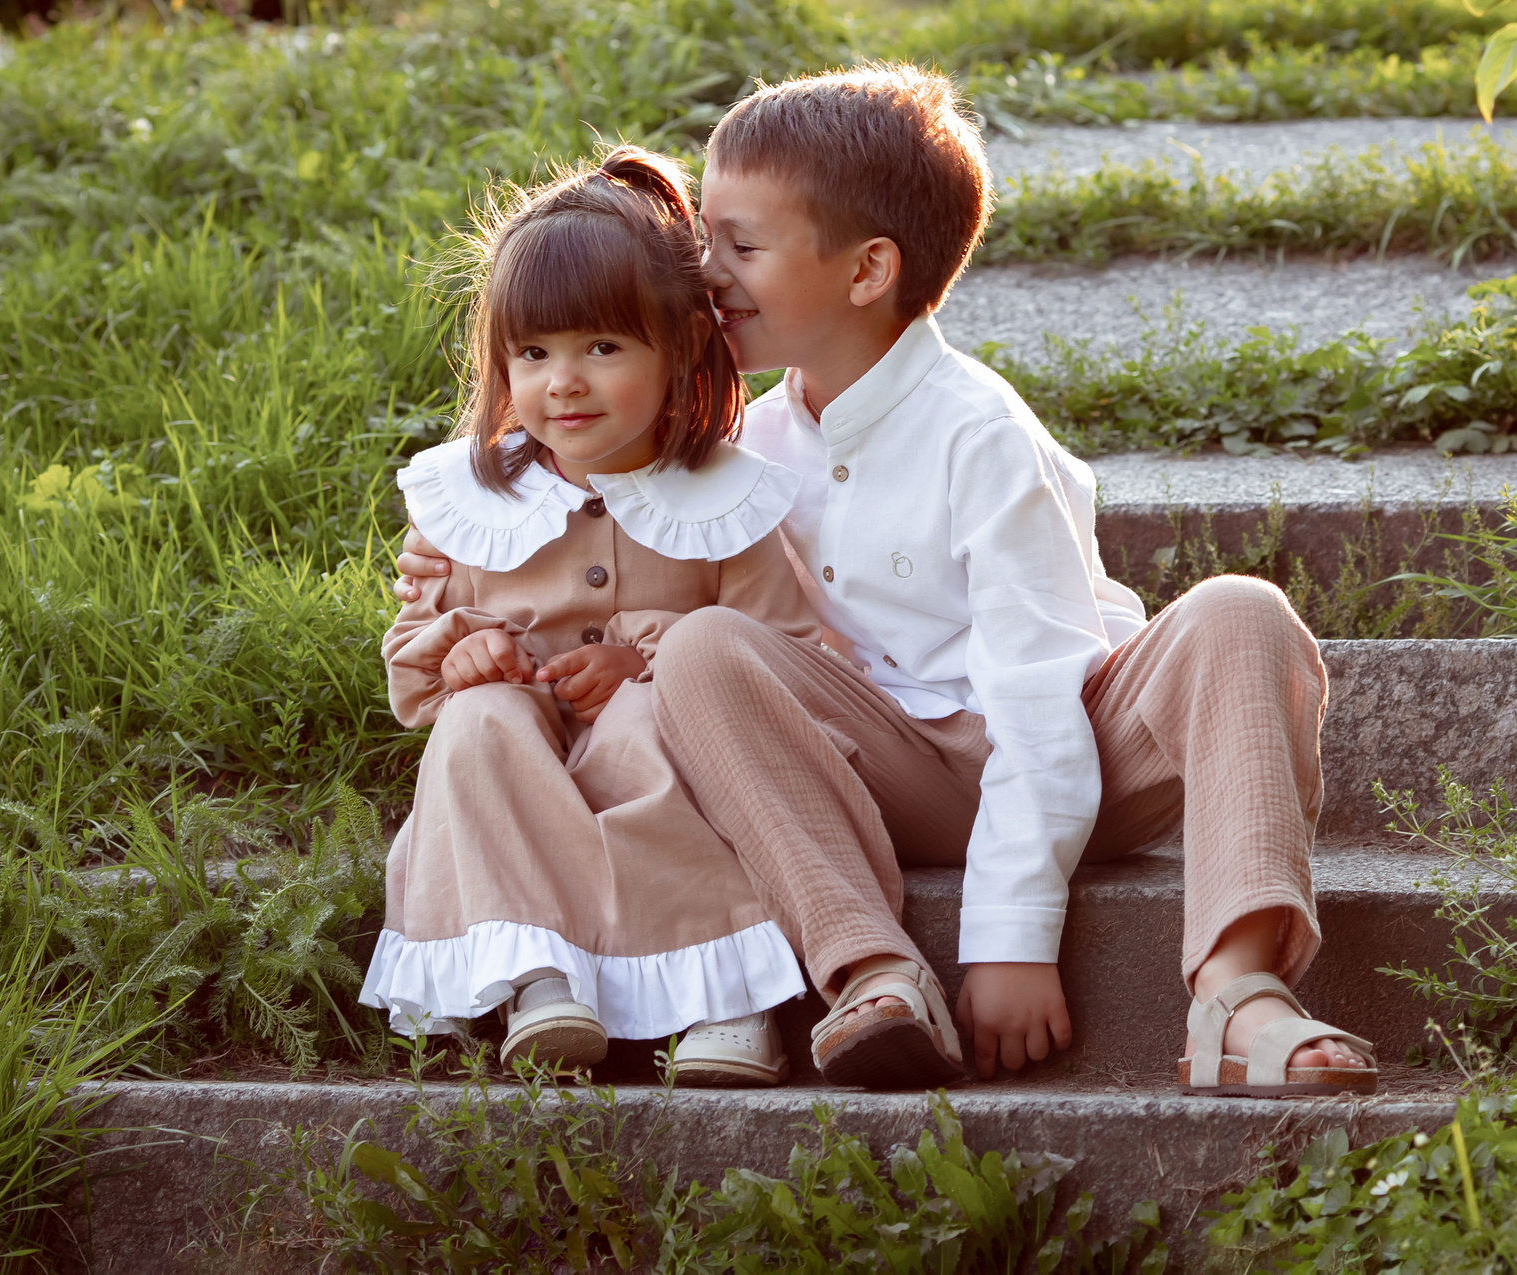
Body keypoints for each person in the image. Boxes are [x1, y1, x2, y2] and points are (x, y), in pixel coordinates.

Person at [396, 67, 1374, 1097]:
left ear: (867, 271)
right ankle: (872, 969)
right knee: (703, 645)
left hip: (1075, 750)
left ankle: (1239, 990)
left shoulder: (979, 434)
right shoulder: (744, 448)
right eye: (705, 243)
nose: (705, 275)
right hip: (870, 768)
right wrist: (459, 569)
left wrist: (1011, 937)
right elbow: (618, 523)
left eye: (740, 247)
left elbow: (1040, 697)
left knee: (1240, 610)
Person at [362, 146, 821, 1088]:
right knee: (478, 721)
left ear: (681, 346)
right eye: (534, 353)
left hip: (661, 775)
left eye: (602, 348)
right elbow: (412, 668)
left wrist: (644, 661)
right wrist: (463, 652)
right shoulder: (466, 501)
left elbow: (782, 661)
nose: (563, 382)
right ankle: (539, 976)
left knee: (653, 722)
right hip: (516, 784)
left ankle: (721, 990)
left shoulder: (725, 500)